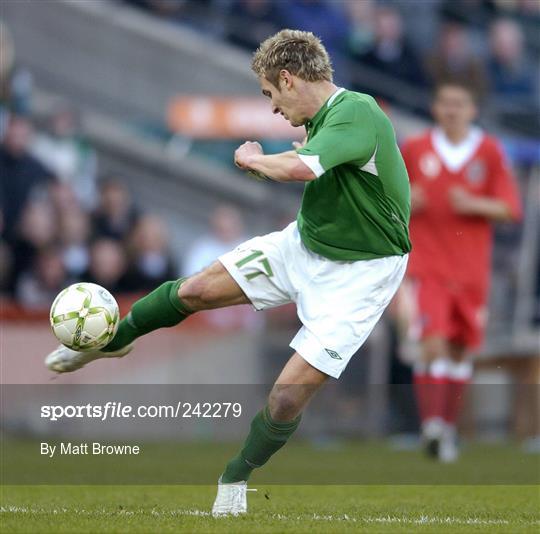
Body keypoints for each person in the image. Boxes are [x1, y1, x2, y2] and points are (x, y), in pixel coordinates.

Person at [45, 29, 411, 516]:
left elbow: (303, 168)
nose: (274, 109)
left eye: (269, 94)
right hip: (303, 245)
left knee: (285, 397)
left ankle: (234, 477)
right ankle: (109, 340)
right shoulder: (321, 120)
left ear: (287, 78)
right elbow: (306, 165)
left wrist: (254, 160)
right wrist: (266, 164)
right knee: (195, 289)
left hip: (361, 275)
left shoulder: (357, 112)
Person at [400, 81, 521, 463]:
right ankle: (432, 426)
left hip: (470, 270)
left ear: (472, 110)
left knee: (460, 352)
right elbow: (385, 197)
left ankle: (446, 430)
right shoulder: (415, 149)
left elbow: (509, 209)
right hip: (428, 265)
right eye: (445, 103)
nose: (452, 110)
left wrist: (473, 203)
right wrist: (405, 200)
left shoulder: (488, 151)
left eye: (460, 103)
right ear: (435, 108)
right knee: (432, 342)